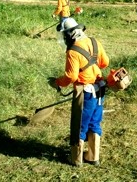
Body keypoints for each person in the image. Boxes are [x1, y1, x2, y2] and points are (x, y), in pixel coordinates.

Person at [48, 18, 110, 167]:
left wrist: (57, 82)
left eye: (64, 35)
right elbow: (104, 62)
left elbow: (71, 76)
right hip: (100, 89)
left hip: (86, 92)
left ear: (70, 34)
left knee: (79, 125)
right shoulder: (94, 42)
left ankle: (76, 159)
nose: (63, 38)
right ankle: (93, 157)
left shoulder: (72, 51)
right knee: (94, 123)